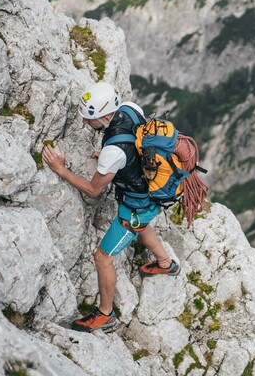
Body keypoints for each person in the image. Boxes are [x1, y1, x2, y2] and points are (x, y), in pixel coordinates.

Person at [42, 82, 180, 333]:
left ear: (105, 116)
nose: (85, 123)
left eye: (89, 119)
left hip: (136, 206)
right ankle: (165, 263)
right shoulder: (129, 108)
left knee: (102, 257)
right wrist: (113, 157)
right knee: (143, 225)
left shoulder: (113, 151)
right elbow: (134, 142)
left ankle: (106, 315)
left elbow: (93, 190)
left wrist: (61, 170)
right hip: (153, 193)